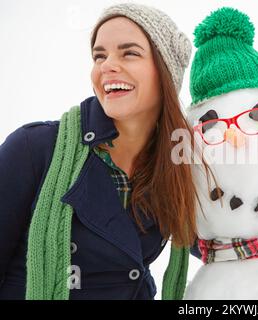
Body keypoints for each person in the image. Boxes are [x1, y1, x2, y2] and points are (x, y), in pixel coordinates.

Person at [0, 3, 207, 300]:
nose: (107, 65)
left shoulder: (180, 160)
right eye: (100, 55)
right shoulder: (33, 148)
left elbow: (223, 246)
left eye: (129, 53)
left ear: (165, 72)